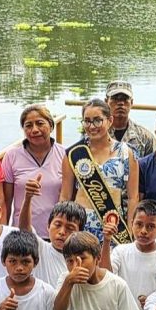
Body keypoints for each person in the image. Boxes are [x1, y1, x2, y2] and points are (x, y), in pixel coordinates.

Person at [61, 98, 139, 245]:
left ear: (110, 120)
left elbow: (133, 197)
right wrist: (63, 227)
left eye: (97, 120)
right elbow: (65, 196)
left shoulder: (126, 153)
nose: (92, 126)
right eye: (87, 121)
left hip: (113, 226)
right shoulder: (73, 153)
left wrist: (130, 228)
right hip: (80, 226)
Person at [2, 104, 66, 237]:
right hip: (22, 233)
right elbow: (6, 202)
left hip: (56, 234)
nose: (35, 130)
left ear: (51, 126)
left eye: (40, 123)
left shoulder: (65, 154)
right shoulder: (11, 156)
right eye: (28, 125)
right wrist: (2, 234)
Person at [105, 80, 156, 157]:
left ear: (131, 102)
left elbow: (152, 163)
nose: (120, 103)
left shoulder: (145, 137)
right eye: (115, 98)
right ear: (106, 102)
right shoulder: (97, 134)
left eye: (125, 99)